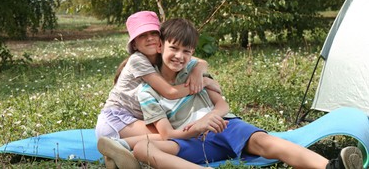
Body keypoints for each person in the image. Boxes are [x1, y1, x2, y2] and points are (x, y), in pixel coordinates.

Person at [97, 18, 364, 169]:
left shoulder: (193, 69)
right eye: (174, 49)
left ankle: (331, 168)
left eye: (186, 51)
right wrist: (198, 125)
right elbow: (166, 133)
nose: (179, 56)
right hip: (191, 138)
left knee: (265, 142)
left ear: (192, 53)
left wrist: (212, 115)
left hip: (225, 126)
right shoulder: (147, 91)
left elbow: (221, 103)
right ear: (161, 47)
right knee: (145, 146)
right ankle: (130, 155)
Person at [95, 11, 220, 141]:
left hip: (138, 119)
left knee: (176, 131)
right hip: (116, 120)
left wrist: (198, 71)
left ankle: (125, 150)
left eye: (153, 33)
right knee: (171, 135)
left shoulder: (164, 54)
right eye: (142, 35)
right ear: (134, 44)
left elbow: (200, 61)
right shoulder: (137, 60)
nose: (149, 38)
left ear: (160, 39)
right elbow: (170, 92)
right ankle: (117, 148)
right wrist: (204, 82)